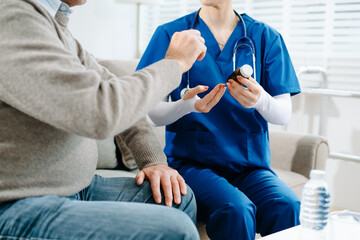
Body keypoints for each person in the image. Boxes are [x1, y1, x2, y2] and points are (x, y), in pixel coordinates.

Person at [0, 0, 207, 239]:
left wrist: (154, 162)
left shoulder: (56, 28)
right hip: (17, 202)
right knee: (175, 230)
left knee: (179, 198)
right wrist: (175, 63)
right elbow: (101, 110)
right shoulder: (13, 17)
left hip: (75, 188)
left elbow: (116, 91)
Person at [137, 0, 302, 239]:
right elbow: (151, 114)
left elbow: (283, 113)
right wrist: (188, 106)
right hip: (191, 165)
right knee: (236, 209)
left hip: (250, 166)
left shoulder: (266, 37)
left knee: (286, 205)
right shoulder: (171, 35)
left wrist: (260, 100)